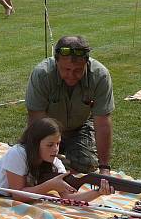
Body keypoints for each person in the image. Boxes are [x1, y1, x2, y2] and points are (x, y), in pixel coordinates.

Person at [25, 36, 114, 174]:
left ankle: (59, 159)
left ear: (87, 63)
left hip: (80, 127)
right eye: (66, 69)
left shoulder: (100, 76)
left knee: (87, 165)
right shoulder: (42, 74)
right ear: (56, 62)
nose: (71, 75)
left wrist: (104, 168)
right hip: (48, 128)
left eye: (78, 70)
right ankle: (57, 159)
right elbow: (36, 121)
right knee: (33, 166)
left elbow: (102, 123)